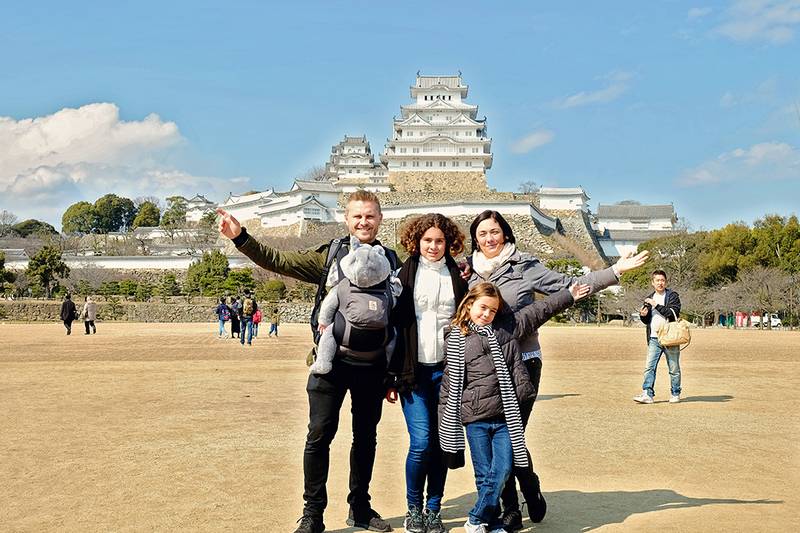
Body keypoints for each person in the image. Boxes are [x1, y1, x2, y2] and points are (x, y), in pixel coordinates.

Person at [217, 190, 399, 533]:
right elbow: (279, 260)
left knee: (366, 437)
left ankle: (360, 507)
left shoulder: (392, 260)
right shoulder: (329, 257)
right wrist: (240, 237)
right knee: (319, 435)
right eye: (357, 216)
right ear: (346, 219)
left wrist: (394, 374)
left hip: (373, 366)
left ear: (380, 219)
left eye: (370, 216)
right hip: (329, 363)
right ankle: (312, 512)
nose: (364, 222)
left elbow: (402, 315)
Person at [466, 210, 649, 530]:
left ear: (506, 234)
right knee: (502, 439)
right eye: (482, 234)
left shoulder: (524, 266)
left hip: (522, 362)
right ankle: (519, 498)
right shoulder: (469, 274)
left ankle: (519, 500)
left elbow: (571, 285)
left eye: (494, 232)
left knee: (509, 437)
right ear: (475, 239)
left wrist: (614, 271)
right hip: (486, 367)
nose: (489, 239)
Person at [439, 282, 591, 533]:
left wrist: (569, 294)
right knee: (484, 473)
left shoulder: (505, 330)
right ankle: (494, 521)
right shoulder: (455, 338)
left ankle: (476, 517)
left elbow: (540, 309)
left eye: (493, 311)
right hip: (475, 418)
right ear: (468, 305)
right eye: (483, 308)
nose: (487, 314)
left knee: (504, 468)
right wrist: (446, 427)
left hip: (505, 415)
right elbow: (450, 386)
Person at [385, 214, 468, 533]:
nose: (433, 246)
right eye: (427, 240)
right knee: (421, 442)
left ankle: (434, 509)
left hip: (448, 372)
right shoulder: (401, 276)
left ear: (449, 244)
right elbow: (390, 326)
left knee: (440, 443)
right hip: (413, 371)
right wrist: (390, 375)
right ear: (416, 242)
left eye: (440, 241)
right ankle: (413, 508)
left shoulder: (458, 276)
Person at [633, 269, 683, 404]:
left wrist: (656, 305)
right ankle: (647, 394)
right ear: (652, 282)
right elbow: (647, 320)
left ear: (665, 282)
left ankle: (675, 392)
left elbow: (673, 313)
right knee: (649, 367)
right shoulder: (649, 298)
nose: (660, 283)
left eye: (662, 280)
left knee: (674, 368)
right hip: (654, 338)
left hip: (670, 337)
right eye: (657, 280)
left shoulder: (672, 296)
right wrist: (643, 316)